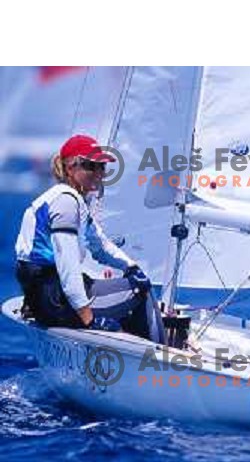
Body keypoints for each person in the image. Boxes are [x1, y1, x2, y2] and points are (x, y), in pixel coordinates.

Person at [14, 134, 164, 342]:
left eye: (102, 167)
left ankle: (127, 347)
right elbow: (68, 268)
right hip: (56, 300)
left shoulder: (70, 200)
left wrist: (131, 267)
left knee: (136, 280)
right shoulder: (66, 204)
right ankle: (156, 360)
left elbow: (100, 246)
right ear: (69, 168)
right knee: (142, 290)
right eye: (90, 166)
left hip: (45, 298)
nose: (99, 173)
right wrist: (88, 319)